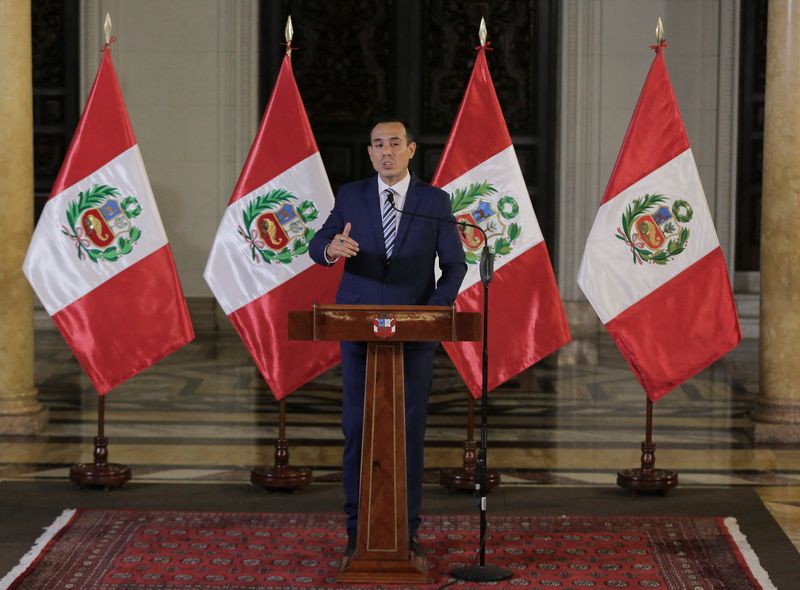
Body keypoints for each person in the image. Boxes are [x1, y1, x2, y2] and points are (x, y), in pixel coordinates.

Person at [309, 118, 467, 557]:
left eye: (394, 143)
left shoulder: (434, 202)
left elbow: (455, 265)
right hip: (357, 328)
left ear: (411, 150)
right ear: (370, 153)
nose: (386, 152)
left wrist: (432, 313)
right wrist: (330, 249)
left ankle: (406, 529)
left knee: (408, 432)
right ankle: (356, 529)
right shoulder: (351, 195)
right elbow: (319, 242)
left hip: (414, 334)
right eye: (378, 145)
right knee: (356, 429)